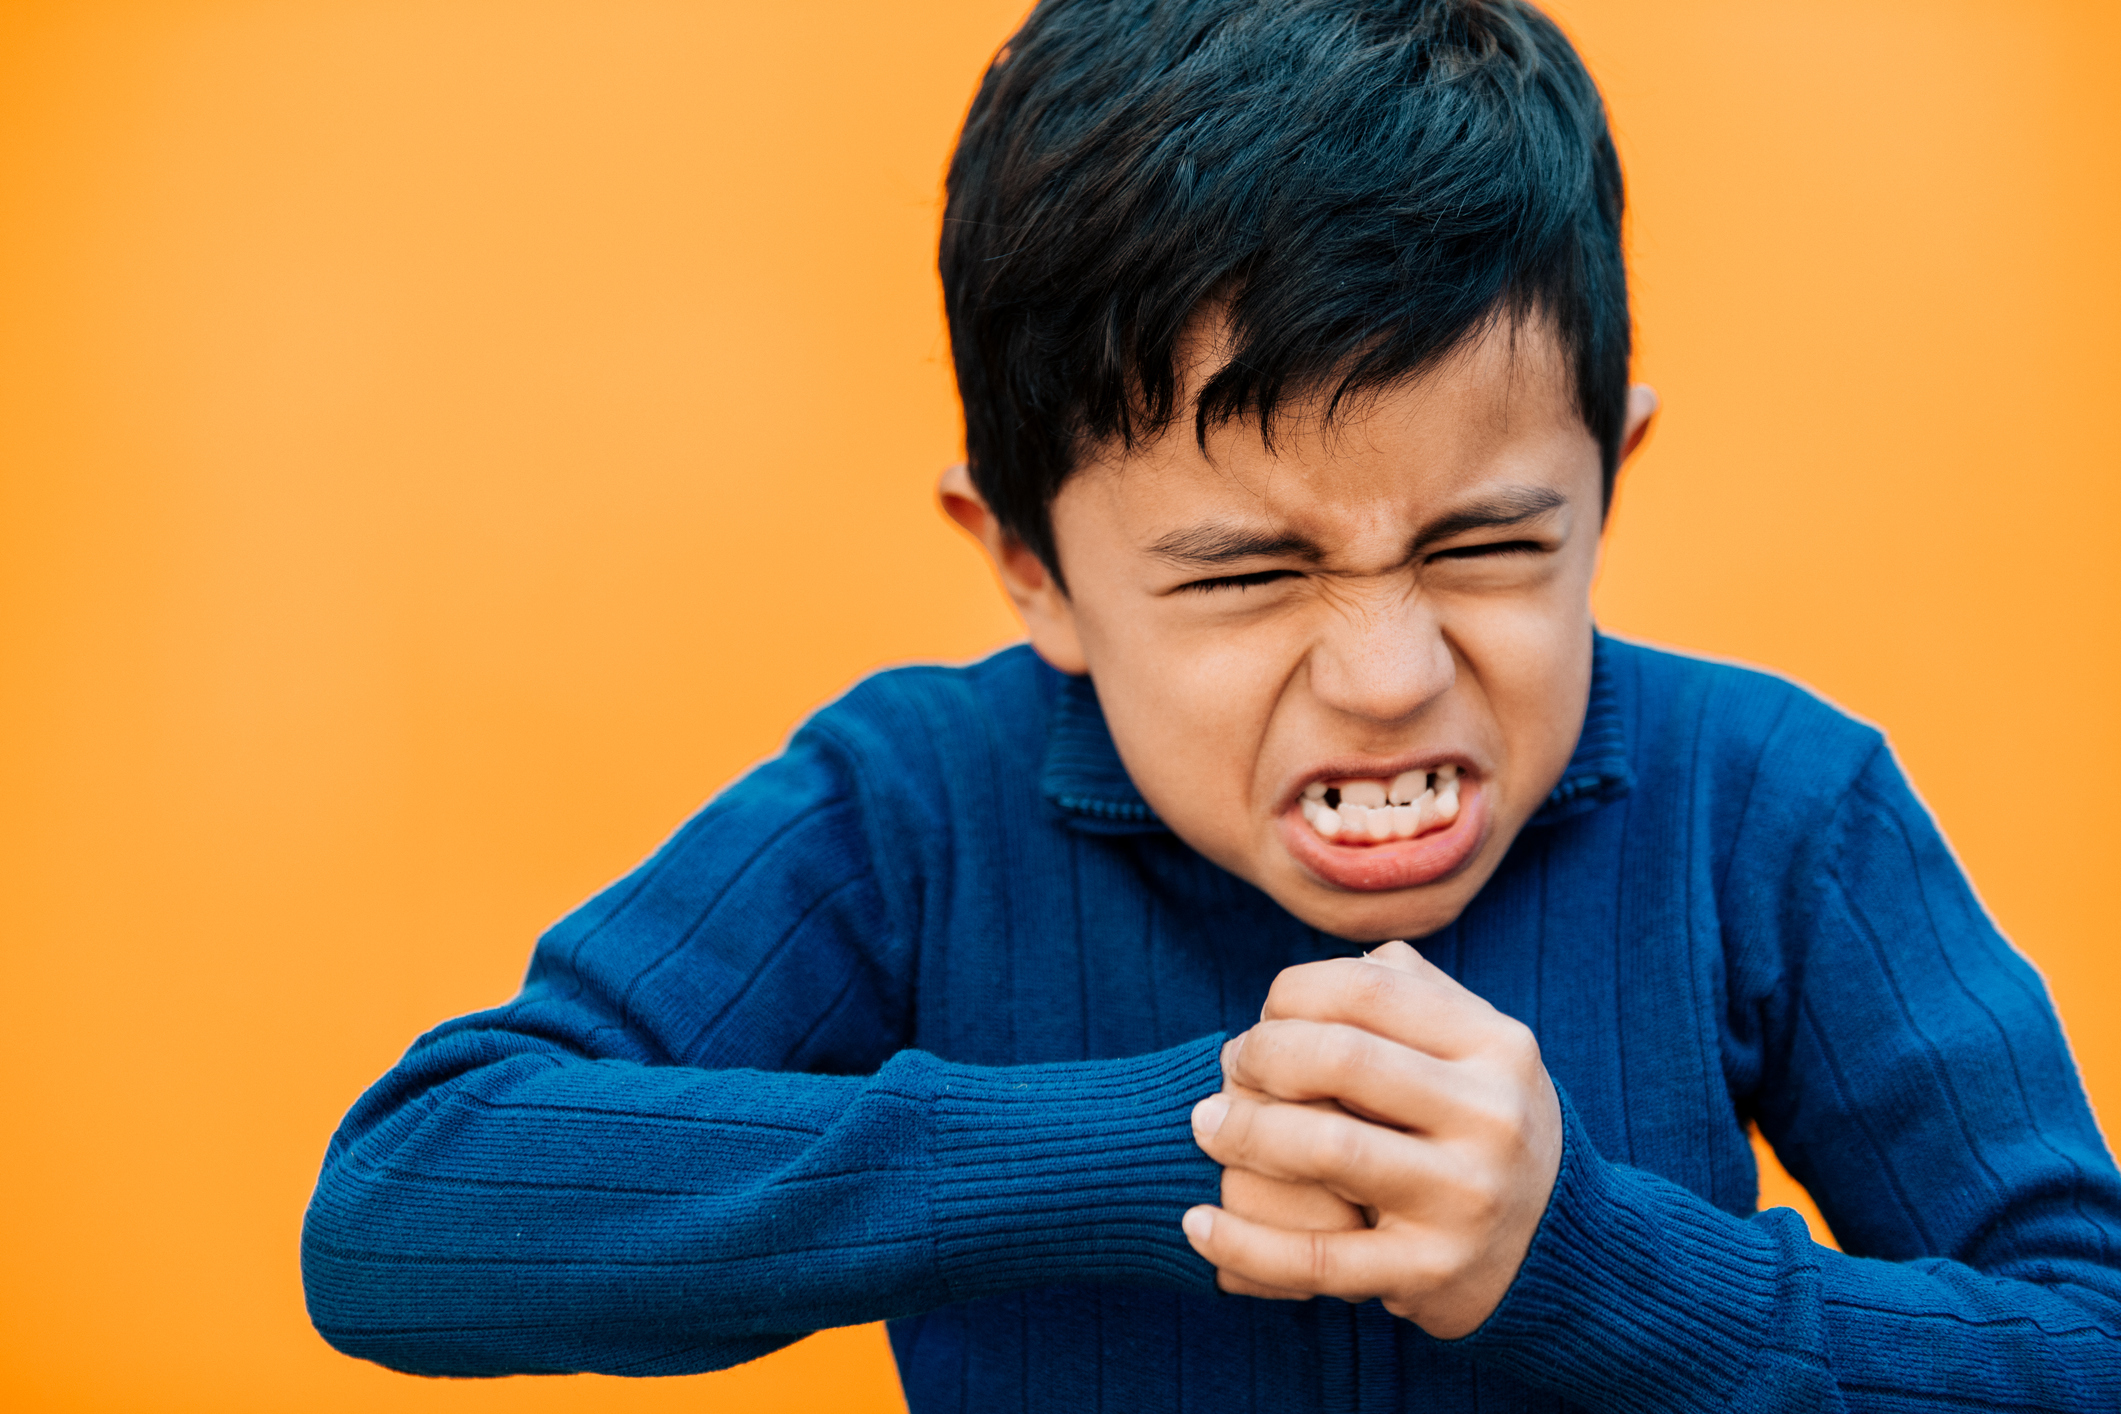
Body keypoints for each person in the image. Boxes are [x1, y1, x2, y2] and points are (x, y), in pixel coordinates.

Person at [300, 0, 2121, 1407]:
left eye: (1488, 545)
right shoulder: (911, 813)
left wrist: (1578, 1265)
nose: (1392, 671)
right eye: (1247, 574)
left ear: (1610, 475)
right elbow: (405, 1213)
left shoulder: (1775, 810)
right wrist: (1147, 1147)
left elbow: (2085, 1337)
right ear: (1027, 564)